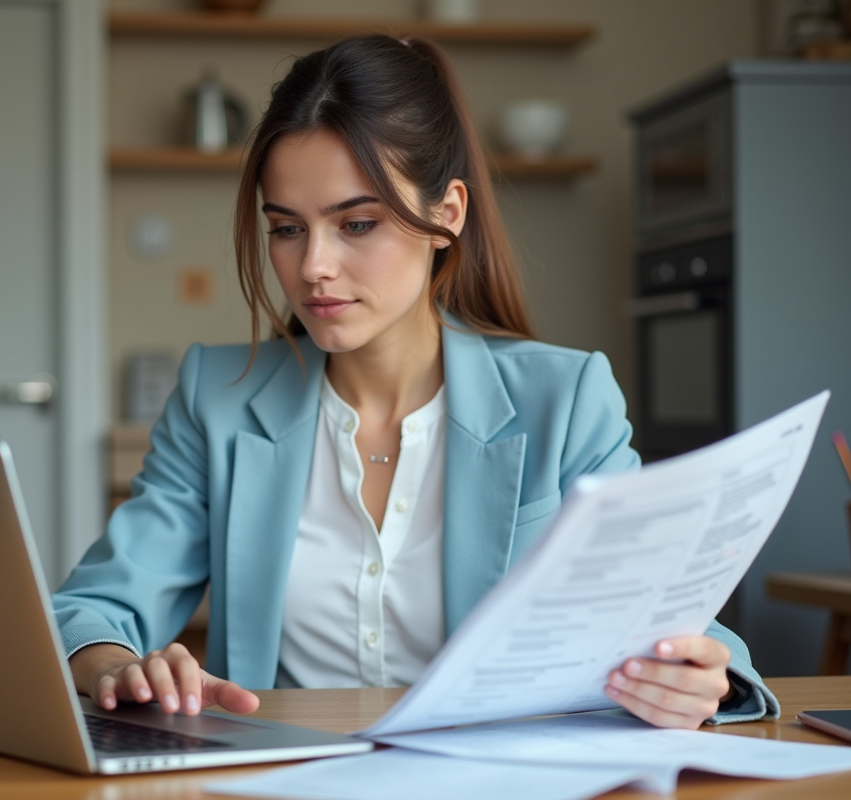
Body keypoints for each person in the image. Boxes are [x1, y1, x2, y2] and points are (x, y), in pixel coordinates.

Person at [53, 34, 778, 730]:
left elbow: (685, 628)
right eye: (286, 228)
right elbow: (95, 607)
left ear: (445, 216)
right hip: (286, 782)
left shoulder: (567, 400)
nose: (313, 267)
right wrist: (118, 666)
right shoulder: (219, 396)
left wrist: (699, 680)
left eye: (357, 224)